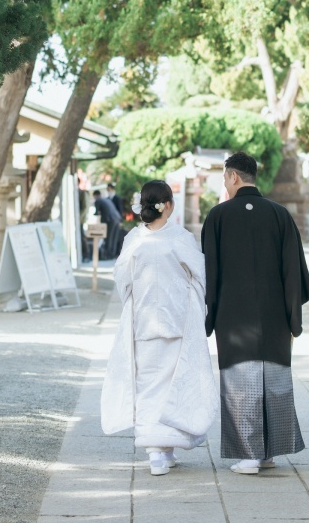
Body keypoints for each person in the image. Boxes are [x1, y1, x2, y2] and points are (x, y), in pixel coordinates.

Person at [201, 151, 309, 476]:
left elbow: (210, 270)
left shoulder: (218, 216)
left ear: (234, 177)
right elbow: (294, 271)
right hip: (275, 316)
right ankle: (268, 453)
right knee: (274, 379)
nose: (225, 182)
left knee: (240, 381)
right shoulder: (279, 214)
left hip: (234, 318)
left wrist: (209, 317)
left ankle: (249, 455)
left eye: (225, 177)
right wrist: (293, 317)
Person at [101, 181, 215, 476]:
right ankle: (162, 449)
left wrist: (135, 300)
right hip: (176, 320)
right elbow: (200, 276)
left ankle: (159, 452)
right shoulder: (180, 238)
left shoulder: (134, 240)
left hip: (144, 320)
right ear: (168, 205)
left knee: (148, 384)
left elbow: (122, 279)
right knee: (175, 384)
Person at [92, 189, 123, 260]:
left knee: (109, 237)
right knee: (114, 238)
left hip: (110, 220)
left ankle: (107, 255)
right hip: (117, 218)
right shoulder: (107, 200)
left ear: (95, 196)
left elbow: (96, 213)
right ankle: (112, 254)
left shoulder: (98, 200)